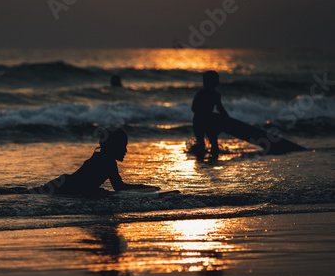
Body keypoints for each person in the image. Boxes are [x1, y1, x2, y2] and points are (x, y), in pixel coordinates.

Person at [30, 127, 159, 195]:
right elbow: (119, 188)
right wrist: (143, 187)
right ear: (114, 146)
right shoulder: (107, 162)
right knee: (30, 193)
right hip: (63, 187)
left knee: (31, 192)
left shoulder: (104, 159)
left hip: (62, 184)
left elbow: (116, 187)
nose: (125, 151)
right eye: (123, 146)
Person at [191, 70, 229, 158]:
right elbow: (193, 108)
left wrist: (226, 117)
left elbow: (220, 108)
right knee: (202, 144)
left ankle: (210, 161)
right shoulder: (201, 94)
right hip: (199, 121)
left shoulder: (216, 95)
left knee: (213, 144)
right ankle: (196, 154)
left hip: (207, 121)